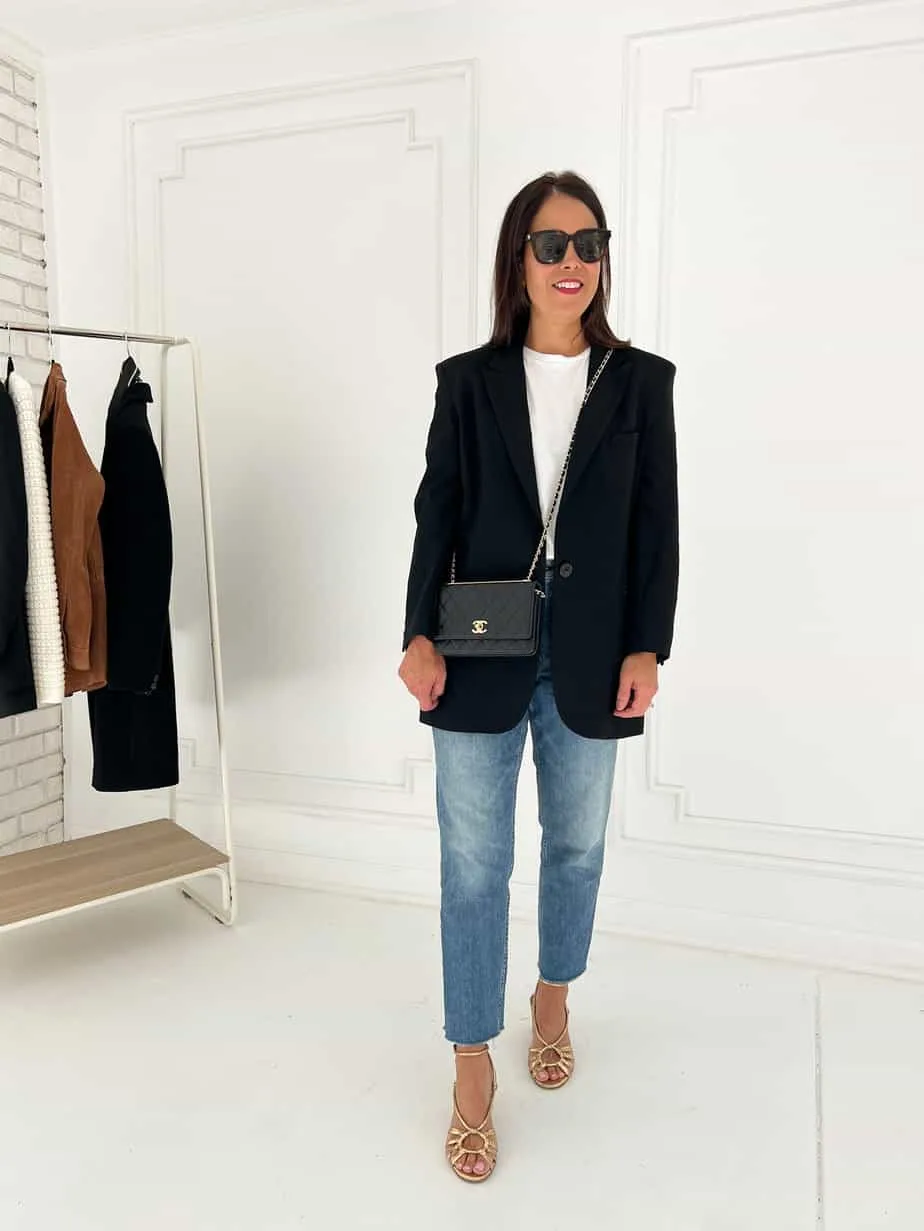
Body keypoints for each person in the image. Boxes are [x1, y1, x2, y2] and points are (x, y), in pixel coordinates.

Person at [398, 170, 679, 1182]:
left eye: (589, 244)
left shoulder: (641, 382)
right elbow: (437, 511)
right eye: (551, 245)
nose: (573, 264)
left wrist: (651, 643)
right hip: (476, 642)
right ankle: (472, 1065)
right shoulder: (467, 380)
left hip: (599, 651)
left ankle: (553, 996)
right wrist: (414, 633)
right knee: (472, 865)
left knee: (577, 847)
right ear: (518, 257)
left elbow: (657, 523)